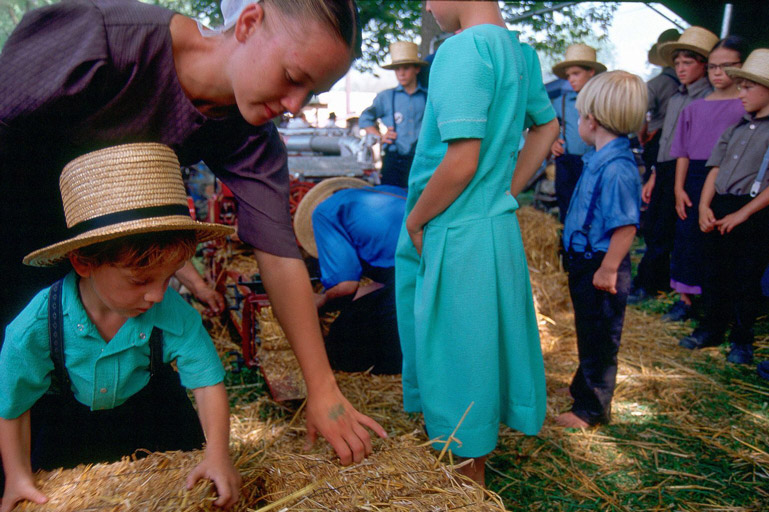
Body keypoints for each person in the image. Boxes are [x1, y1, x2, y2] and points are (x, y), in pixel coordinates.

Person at [0, 0, 386, 466]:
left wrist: (323, 389)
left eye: (312, 92)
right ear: (248, 23)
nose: (293, 106)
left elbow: (278, 252)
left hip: (116, 268)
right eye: (292, 76)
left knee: (163, 437)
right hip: (19, 232)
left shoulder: (251, 135)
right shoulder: (101, 40)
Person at [0, 144, 240, 512]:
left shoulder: (173, 314)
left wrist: (218, 454)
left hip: (151, 422)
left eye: (168, 277)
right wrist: (17, 476)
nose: (158, 295)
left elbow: (207, 384)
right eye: (141, 280)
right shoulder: (34, 328)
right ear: (83, 263)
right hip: (68, 431)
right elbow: (14, 406)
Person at [395, 0, 559, 485]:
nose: (426, 5)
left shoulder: (461, 50)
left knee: (455, 350)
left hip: (454, 225)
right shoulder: (519, 53)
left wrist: (417, 220)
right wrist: (504, 191)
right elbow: (547, 126)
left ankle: (468, 491)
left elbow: (462, 160)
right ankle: (469, 474)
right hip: (490, 224)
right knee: (480, 343)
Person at [680, 49, 769, 364]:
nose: (741, 93)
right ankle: (711, 328)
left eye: (747, 87)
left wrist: (744, 212)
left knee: (746, 277)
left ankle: (742, 340)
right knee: (713, 271)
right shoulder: (734, 127)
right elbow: (714, 168)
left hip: (752, 210)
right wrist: (705, 205)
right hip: (720, 204)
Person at [556, 71, 648, 429]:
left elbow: (625, 226)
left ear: (591, 121)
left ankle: (591, 410)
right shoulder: (599, 158)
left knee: (600, 338)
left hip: (601, 265)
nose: (578, 122)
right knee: (588, 329)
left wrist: (608, 269)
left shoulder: (618, 169)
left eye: (579, 116)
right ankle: (584, 388)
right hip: (587, 261)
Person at [630, 27, 718, 302]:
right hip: (666, 167)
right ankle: (650, 281)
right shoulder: (677, 96)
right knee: (655, 225)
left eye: (687, 63)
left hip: (691, 170)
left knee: (675, 230)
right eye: (677, 63)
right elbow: (668, 140)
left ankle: (658, 285)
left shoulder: (708, 98)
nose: (680, 68)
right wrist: (655, 173)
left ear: (704, 66)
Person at [664, 37, 747, 322]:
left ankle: (715, 302)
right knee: (687, 237)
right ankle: (685, 299)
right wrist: (678, 188)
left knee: (718, 242)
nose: (717, 72)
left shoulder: (746, 107)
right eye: (712, 66)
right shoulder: (694, 107)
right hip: (693, 177)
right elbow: (682, 151)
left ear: (743, 67)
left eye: (727, 66)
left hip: (729, 178)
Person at [294, 178, 406, 375]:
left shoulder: (324, 213)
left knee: (343, 343)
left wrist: (319, 302)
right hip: (439, 262)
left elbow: (345, 288)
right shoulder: (385, 192)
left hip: (413, 270)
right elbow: (386, 280)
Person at [359, 41, 428, 188]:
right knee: (390, 197)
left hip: (420, 160)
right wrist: (380, 137)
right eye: (397, 69)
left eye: (406, 68)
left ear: (416, 69)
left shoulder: (428, 97)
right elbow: (365, 118)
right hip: (393, 160)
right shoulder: (386, 97)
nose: (401, 73)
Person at [550, 44, 607, 222]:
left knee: (593, 207)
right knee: (567, 207)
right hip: (568, 162)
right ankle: (569, 246)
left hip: (596, 161)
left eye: (576, 74)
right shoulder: (561, 102)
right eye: (568, 76)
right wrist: (553, 141)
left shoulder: (603, 100)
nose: (571, 80)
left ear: (591, 71)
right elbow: (548, 127)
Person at [639, 29, 681, 186]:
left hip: (658, 139)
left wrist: (643, 135)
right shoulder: (692, 84)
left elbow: (640, 113)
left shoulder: (655, 84)